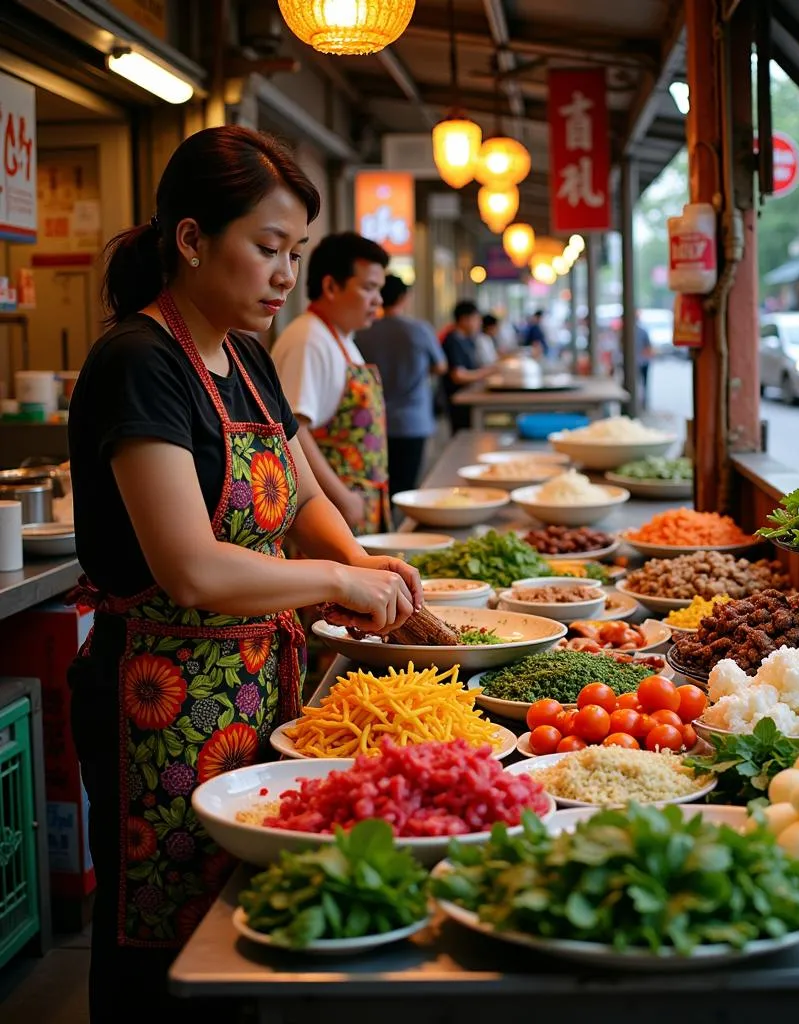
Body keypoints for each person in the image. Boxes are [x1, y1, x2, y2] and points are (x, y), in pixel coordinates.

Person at [66, 126, 421, 1024]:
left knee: (246, 922)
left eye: (296, 252)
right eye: (267, 248)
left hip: (261, 689)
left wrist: (358, 557)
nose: (284, 275)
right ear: (190, 239)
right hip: (162, 705)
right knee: (168, 938)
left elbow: (301, 496)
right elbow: (189, 569)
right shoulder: (139, 364)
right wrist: (336, 587)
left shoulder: (251, 357)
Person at [271, 232, 392, 534]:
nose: (378, 300)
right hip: (331, 510)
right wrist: (342, 497)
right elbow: (294, 431)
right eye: (368, 288)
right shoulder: (308, 339)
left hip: (354, 505)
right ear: (330, 286)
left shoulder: (340, 337)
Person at [355, 274, 447, 497]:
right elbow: (441, 366)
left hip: (373, 421)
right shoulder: (418, 329)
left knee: (381, 485)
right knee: (407, 488)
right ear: (404, 297)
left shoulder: (363, 332)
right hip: (412, 421)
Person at [442, 299, 491, 432]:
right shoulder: (453, 340)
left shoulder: (467, 339)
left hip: (467, 397)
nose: (479, 324)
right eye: (476, 319)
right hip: (458, 400)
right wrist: (488, 372)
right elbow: (458, 376)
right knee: (463, 435)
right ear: (464, 319)